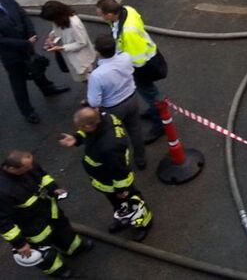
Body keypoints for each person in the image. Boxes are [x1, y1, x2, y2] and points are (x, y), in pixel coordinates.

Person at [59, 108, 153, 242]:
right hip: (106, 180)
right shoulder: (104, 118)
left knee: (132, 203)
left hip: (115, 182)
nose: (79, 129)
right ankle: (123, 216)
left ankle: (142, 223)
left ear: (89, 125)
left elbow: (119, 171)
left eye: (81, 127)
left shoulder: (109, 146)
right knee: (119, 204)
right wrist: (77, 138)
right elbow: (91, 134)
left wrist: (122, 190)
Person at [0, 150, 92, 278]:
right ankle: (57, 270)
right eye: (26, 168)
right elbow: (3, 222)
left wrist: (54, 188)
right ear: (11, 168)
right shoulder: (3, 191)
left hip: (50, 212)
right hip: (32, 226)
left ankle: (74, 248)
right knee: (45, 253)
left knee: (65, 232)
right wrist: (20, 244)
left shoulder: (29, 165)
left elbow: (43, 176)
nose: (31, 168)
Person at [96, 0, 166, 144]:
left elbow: (138, 61)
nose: (100, 17)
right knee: (149, 93)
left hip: (143, 67)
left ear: (109, 14)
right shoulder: (126, 10)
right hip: (147, 56)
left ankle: (160, 123)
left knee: (150, 94)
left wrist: (125, 71)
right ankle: (154, 112)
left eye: (101, 14)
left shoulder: (128, 33)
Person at [0, 0, 68, 124]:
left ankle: (48, 89)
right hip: (11, 53)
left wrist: (31, 34)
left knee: (35, 66)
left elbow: (23, 15)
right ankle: (27, 111)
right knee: (18, 81)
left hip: (27, 44)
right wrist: (25, 43)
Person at [87, 35, 146, 170]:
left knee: (115, 136)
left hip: (113, 108)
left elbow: (94, 101)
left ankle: (121, 163)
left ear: (98, 52)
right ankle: (141, 159)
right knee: (135, 130)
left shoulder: (97, 75)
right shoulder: (126, 57)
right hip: (131, 99)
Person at [39, 0, 95, 84]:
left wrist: (62, 48)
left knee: (89, 78)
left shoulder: (75, 24)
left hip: (80, 58)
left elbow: (82, 42)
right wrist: (52, 36)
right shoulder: (61, 20)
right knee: (85, 77)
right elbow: (58, 29)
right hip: (71, 56)